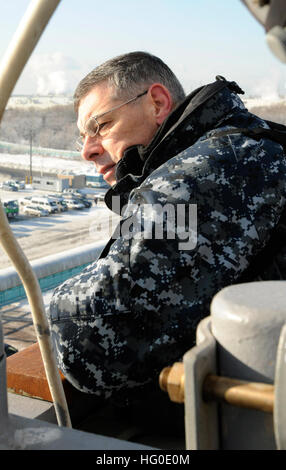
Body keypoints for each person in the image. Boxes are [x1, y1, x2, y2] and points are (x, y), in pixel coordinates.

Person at [48, 51, 286, 412]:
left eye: (102, 125)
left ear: (157, 103)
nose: (87, 151)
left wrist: (52, 309)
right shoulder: (247, 140)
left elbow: (89, 342)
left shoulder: (198, 173)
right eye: (83, 136)